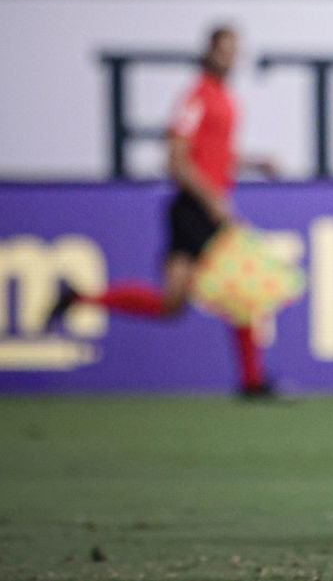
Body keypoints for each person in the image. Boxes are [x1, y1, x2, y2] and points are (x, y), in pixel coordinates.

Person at [45, 26, 280, 398]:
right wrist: (211, 200)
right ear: (210, 52)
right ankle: (252, 381)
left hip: (203, 208)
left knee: (172, 304)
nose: (231, 56)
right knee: (245, 289)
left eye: (236, 49)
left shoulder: (225, 98)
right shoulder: (197, 97)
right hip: (195, 208)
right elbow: (177, 160)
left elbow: (216, 157)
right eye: (225, 49)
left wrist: (254, 163)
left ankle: (79, 298)